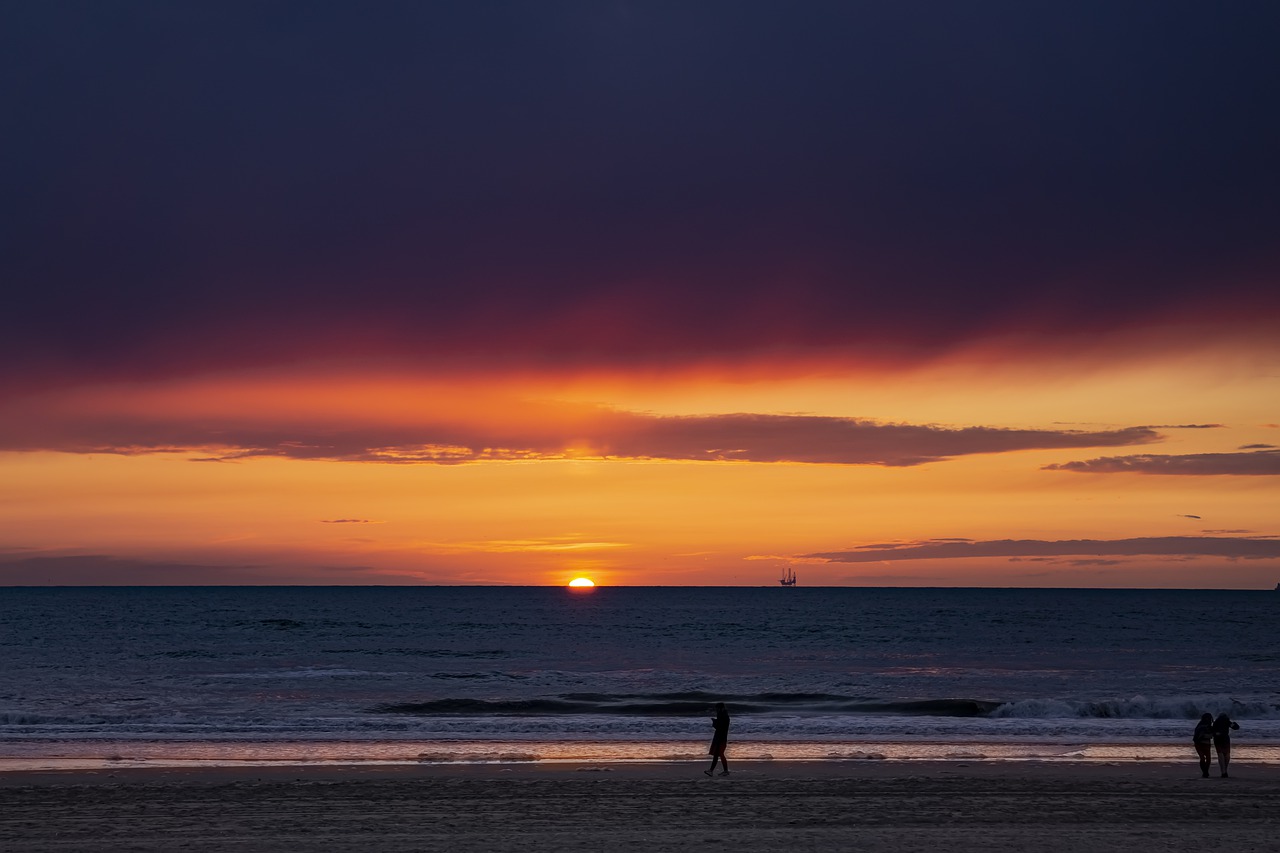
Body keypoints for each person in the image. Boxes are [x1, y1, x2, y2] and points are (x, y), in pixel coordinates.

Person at [704, 702, 730, 777]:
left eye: (717, 709)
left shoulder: (723, 716)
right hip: (721, 737)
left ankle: (724, 771)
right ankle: (712, 770)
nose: (716, 710)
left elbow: (720, 727)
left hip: (720, 738)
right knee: (717, 754)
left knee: (720, 754)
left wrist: (714, 722)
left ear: (720, 708)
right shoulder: (724, 715)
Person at [1212, 712, 1240, 778]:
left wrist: (1215, 734)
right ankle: (1225, 770)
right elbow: (1236, 727)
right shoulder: (1227, 720)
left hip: (1217, 739)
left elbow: (1213, 731)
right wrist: (1234, 723)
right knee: (1227, 755)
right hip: (1225, 738)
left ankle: (1223, 771)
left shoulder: (1216, 722)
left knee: (1220, 755)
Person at [1192, 713, 1214, 778]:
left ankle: (1205, 772)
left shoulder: (1199, 726)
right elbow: (1211, 735)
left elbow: (1195, 737)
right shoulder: (1208, 726)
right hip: (1204, 743)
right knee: (1207, 758)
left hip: (1199, 744)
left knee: (1203, 758)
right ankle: (1205, 772)